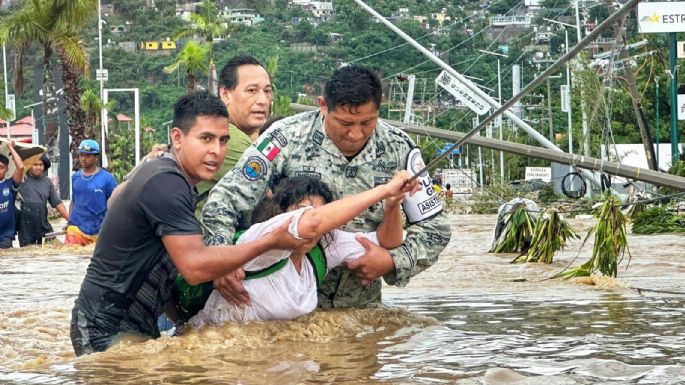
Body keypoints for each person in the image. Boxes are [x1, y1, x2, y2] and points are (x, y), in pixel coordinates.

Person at [70, 92, 309, 356]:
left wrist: (185, 323)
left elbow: (161, 270)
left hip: (134, 326)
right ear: (177, 138)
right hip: (103, 327)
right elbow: (194, 267)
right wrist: (271, 241)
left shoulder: (171, 181)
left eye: (223, 140)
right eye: (205, 138)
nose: (216, 151)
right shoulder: (167, 183)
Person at [203, 64, 452, 309]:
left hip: (361, 309)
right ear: (323, 106)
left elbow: (435, 227)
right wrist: (222, 259)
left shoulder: (399, 148)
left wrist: (392, 261)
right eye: (344, 123)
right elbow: (224, 200)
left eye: (367, 123)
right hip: (280, 304)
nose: (355, 134)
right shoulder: (285, 138)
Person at [189, 173, 415, 327]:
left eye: (322, 212)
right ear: (282, 211)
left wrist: (393, 204)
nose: (315, 219)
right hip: (218, 351)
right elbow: (312, 223)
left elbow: (388, 242)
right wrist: (384, 189)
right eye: (302, 211)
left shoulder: (325, 245)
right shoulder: (265, 236)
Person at [195, 54, 273, 213]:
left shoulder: (249, 138)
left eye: (267, 91)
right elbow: (273, 195)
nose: (263, 100)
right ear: (225, 94)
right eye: (252, 90)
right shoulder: (229, 140)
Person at [65, 139, 118, 245]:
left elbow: (115, 204)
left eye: (88, 156)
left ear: (96, 157)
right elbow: (74, 201)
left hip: (99, 229)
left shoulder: (108, 179)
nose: (83, 159)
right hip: (76, 228)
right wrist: (69, 221)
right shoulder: (75, 177)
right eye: (81, 155)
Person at [17, 154, 69, 246]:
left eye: (41, 165)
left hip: (43, 224)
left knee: (56, 247)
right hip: (25, 227)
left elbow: (57, 203)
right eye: (35, 164)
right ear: (29, 166)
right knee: (28, 253)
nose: (38, 167)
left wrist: (70, 220)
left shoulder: (47, 182)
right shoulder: (20, 179)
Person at [0, 140, 24, 248]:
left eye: (1, 167)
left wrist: (10, 147)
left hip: (6, 236)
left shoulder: (10, 184)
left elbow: (21, 167)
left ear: (7, 169)